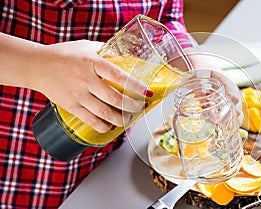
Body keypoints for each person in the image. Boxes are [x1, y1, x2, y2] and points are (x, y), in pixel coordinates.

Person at [0, 0, 241, 208]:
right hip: (18, 171)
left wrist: (190, 59)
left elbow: (164, 15)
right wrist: (36, 65)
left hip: (105, 167)